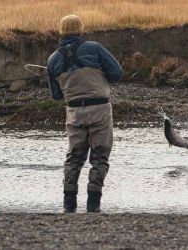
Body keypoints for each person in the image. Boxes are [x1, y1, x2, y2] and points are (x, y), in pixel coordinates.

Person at [47, 15, 122, 212]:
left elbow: (56, 95)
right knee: (99, 156)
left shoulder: (53, 59)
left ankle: (69, 205)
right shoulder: (94, 48)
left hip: (73, 113)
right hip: (100, 111)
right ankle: (93, 206)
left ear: (61, 33)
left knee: (74, 157)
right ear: (81, 30)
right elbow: (116, 73)